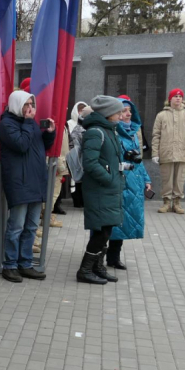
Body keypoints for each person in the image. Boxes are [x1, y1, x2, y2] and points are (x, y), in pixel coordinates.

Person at [0, 90, 55, 283]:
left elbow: (39, 146)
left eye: (32, 104)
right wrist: (30, 123)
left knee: (31, 226)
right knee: (16, 226)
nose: (30, 109)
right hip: (20, 182)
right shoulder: (6, 124)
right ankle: (10, 265)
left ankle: (25, 263)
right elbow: (21, 145)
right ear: (16, 105)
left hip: (36, 180)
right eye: (26, 105)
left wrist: (49, 134)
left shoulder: (30, 125)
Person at [77, 95, 126, 285]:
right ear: (107, 114)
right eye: (118, 112)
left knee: (106, 229)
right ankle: (85, 270)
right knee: (101, 232)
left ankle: (97, 267)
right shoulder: (96, 132)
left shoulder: (109, 130)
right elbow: (90, 163)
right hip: (99, 189)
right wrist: (109, 178)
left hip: (107, 188)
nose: (121, 116)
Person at [107, 98, 152, 269]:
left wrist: (146, 179)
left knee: (123, 222)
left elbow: (138, 160)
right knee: (112, 221)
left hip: (133, 183)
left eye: (129, 111)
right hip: (119, 182)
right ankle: (99, 257)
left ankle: (114, 257)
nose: (128, 114)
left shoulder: (132, 133)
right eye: (124, 110)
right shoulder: (113, 133)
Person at [151, 88, 185, 214]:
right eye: (175, 96)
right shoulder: (161, 115)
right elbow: (156, 135)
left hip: (183, 152)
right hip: (166, 152)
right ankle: (166, 202)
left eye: (180, 96)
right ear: (170, 99)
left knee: (179, 180)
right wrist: (155, 153)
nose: (178, 98)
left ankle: (177, 203)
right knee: (167, 179)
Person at [68, 101, 89, 208]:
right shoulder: (70, 123)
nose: (81, 112)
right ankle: (76, 200)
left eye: (83, 110)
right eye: (80, 110)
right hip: (75, 154)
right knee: (75, 178)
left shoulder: (88, 124)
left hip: (84, 155)